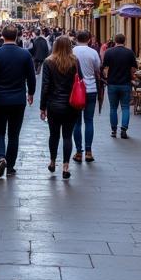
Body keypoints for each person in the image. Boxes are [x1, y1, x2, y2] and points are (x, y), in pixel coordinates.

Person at [0, 24, 36, 177]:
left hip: (0, 99)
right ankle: (10, 166)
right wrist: (31, 93)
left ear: (2, 37)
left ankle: (1, 157)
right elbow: (31, 77)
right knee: (14, 134)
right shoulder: (25, 54)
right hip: (18, 100)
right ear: (18, 36)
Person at [40, 36, 80, 180]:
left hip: (54, 104)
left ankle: (52, 161)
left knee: (54, 135)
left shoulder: (48, 62)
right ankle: (65, 166)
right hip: (71, 104)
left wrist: (42, 107)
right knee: (67, 136)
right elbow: (78, 80)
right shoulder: (74, 61)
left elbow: (45, 86)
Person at [71, 30, 102, 163]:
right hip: (91, 89)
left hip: (76, 90)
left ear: (76, 39)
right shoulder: (93, 52)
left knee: (76, 122)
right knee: (89, 120)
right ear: (89, 39)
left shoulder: (71, 52)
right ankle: (88, 152)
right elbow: (98, 68)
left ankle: (78, 152)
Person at [102, 32, 138, 139]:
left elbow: (104, 68)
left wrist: (107, 77)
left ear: (115, 41)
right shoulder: (129, 52)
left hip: (112, 84)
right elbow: (134, 68)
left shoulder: (109, 52)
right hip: (125, 84)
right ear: (124, 41)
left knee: (113, 108)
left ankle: (113, 130)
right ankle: (123, 129)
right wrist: (131, 76)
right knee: (125, 107)